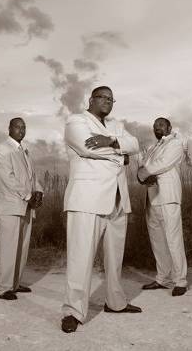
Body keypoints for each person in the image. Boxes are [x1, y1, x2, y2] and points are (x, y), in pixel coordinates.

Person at [61, 86, 142, 333]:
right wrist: (121, 156)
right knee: (80, 257)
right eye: (102, 97)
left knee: (115, 257)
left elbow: (135, 144)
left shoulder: (116, 126)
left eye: (111, 99)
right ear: (91, 100)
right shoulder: (76, 120)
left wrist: (112, 140)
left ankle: (115, 303)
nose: (107, 101)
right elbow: (87, 148)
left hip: (117, 199)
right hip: (87, 199)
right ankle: (73, 312)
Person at [0, 118, 43, 301]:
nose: (21, 130)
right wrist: (28, 196)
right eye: (17, 127)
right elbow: (8, 177)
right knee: (8, 248)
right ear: (9, 129)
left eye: (24, 127)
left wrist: (38, 192)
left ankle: (14, 283)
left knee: (21, 248)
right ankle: (3, 288)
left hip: (25, 207)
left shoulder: (24, 150)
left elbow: (32, 177)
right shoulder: (2, 149)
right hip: (9, 206)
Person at [137, 118, 188, 296]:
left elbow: (163, 164)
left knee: (173, 239)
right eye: (155, 126)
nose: (157, 127)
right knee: (157, 240)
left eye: (161, 124)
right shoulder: (152, 148)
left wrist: (143, 172)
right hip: (152, 197)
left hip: (168, 196)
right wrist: (142, 172)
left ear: (169, 127)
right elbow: (142, 165)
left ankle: (180, 281)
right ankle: (162, 279)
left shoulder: (175, 143)